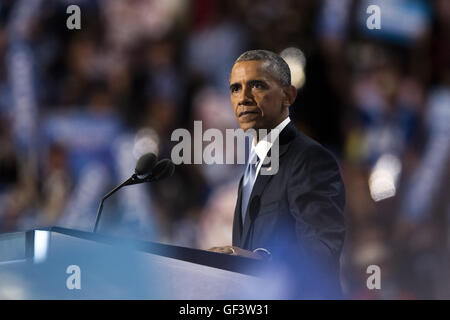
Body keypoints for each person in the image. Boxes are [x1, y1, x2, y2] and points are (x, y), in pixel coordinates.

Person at [208, 50, 346, 299]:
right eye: (235, 89)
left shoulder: (310, 159)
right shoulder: (251, 170)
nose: (244, 98)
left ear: (287, 95)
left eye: (257, 86)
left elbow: (323, 250)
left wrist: (259, 260)